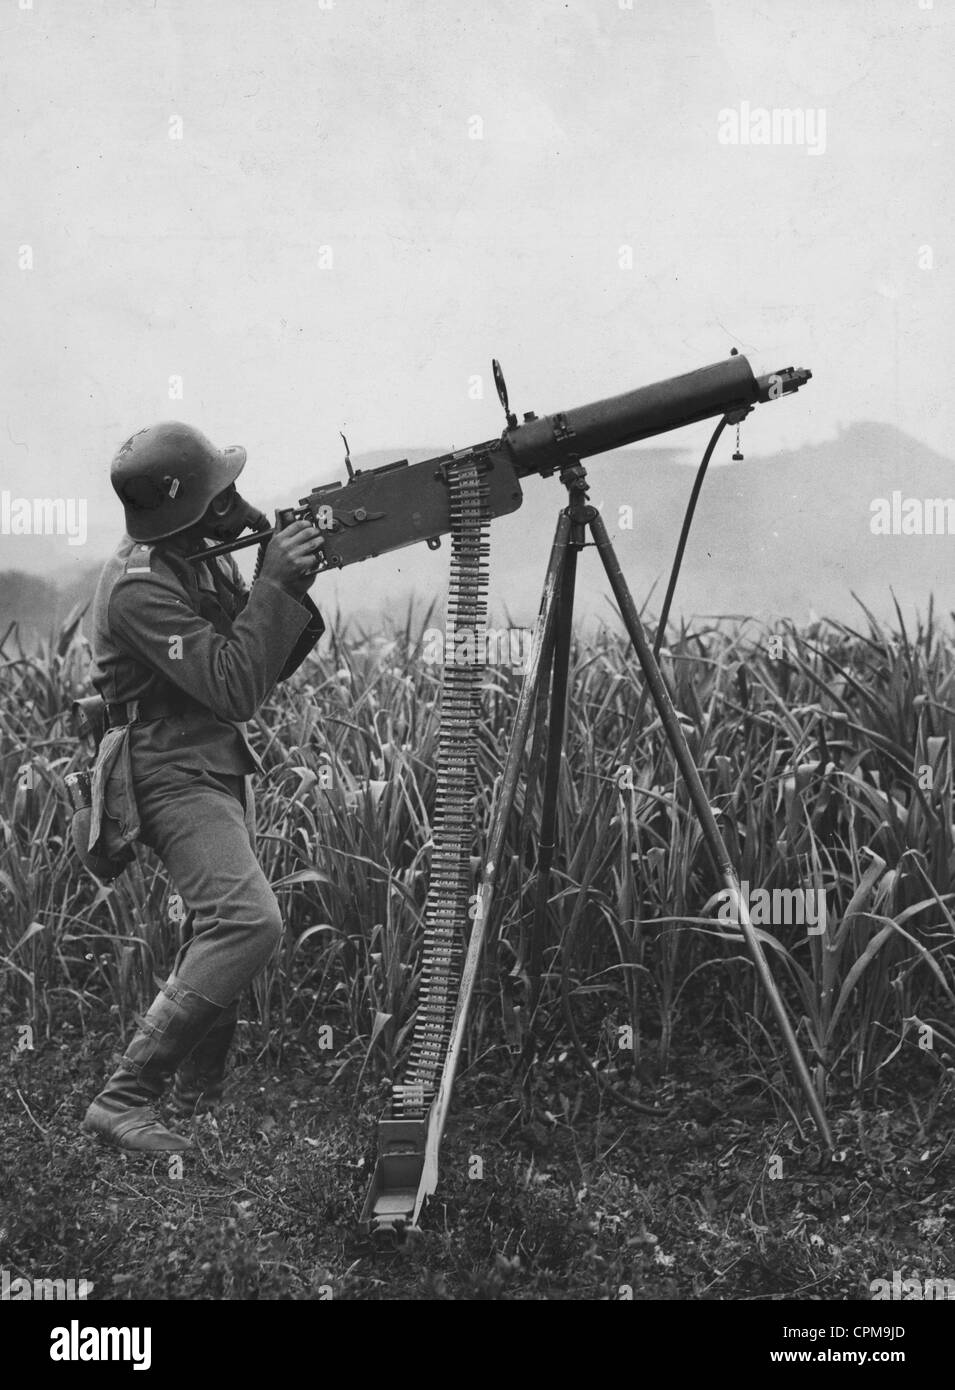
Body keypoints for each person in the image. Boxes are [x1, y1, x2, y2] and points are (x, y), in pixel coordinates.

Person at [82, 421, 326, 1152]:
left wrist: (284, 588)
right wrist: (275, 582)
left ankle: (199, 1099)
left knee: (211, 924)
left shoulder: (197, 556)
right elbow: (233, 685)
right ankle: (123, 1099)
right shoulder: (139, 588)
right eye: (223, 498)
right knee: (246, 921)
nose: (240, 507)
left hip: (210, 761)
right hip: (163, 768)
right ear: (188, 511)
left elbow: (255, 661)